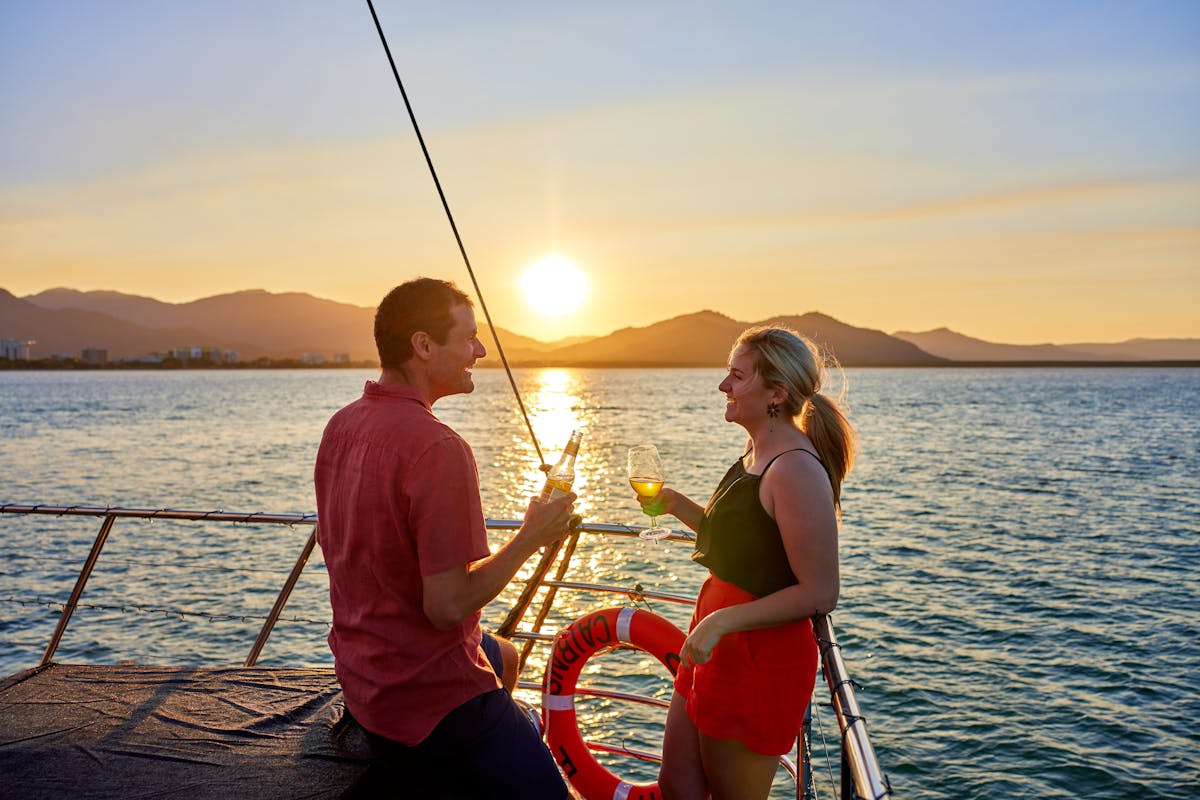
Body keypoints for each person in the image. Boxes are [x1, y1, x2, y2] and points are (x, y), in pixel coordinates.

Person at [315, 278, 575, 799]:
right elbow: (447, 607)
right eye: (469, 337)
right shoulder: (439, 449)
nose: (479, 350)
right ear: (424, 345)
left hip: (365, 679)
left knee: (505, 656)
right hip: (426, 700)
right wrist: (531, 536)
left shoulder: (341, 426)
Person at [637, 325, 856, 800]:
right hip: (715, 640)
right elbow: (745, 548)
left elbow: (820, 591)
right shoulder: (757, 450)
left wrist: (721, 623)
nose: (723, 386)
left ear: (776, 392)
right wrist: (677, 505)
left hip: (756, 657)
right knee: (678, 787)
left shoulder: (795, 468)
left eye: (737, 376)